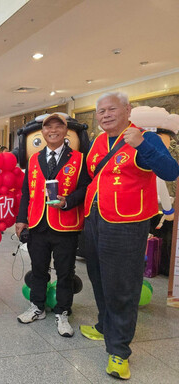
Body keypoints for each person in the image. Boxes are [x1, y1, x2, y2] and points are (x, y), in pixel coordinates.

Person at [80, 92, 179, 379]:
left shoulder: (144, 138)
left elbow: (171, 171)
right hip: (95, 218)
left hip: (127, 222)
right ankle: (104, 326)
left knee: (122, 285)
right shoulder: (98, 142)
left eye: (112, 109)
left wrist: (142, 147)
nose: (105, 114)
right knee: (97, 276)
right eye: (100, 111)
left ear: (127, 110)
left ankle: (120, 350)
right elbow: (92, 176)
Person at [15, 113, 90, 337]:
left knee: (65, 272)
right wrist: (21, 219)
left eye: (59, 127)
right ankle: (37, 307)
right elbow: (26, 191)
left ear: (66, 132)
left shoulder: (79, 159)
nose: (53, 130)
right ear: (43, 132)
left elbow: (85, 188)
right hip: (38, 223)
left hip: (65, 225)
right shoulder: (34, 159)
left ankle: (63, 311)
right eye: (49, 127)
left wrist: (68, 201)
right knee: (38, 269)